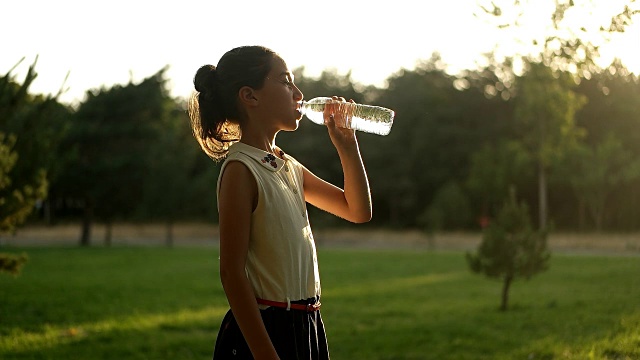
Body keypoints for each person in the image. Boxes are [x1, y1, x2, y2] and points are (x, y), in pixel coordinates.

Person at [188, 45, 372, 360]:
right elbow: (232, 273)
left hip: (308, 324)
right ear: (250, 96)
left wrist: (347, 145)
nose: (299, 93)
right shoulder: (241, 170)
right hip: (268, 330)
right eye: (286, 81)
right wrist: (266, 355)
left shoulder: (288, 165)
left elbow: (358, 211)